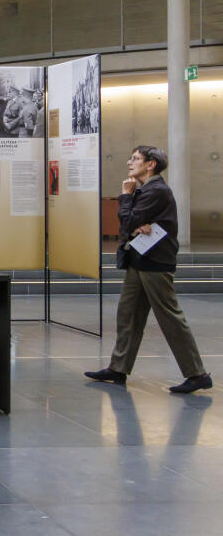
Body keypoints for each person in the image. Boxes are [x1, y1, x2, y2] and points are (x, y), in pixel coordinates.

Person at [86, 146, 211, 394]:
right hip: (138, 260)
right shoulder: (144, 190)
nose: (129, 162)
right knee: (128, 315)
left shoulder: (156, 190)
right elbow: (128, 226)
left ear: (151, 164)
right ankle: (118, 368)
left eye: (135, 159)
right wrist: (133, 227)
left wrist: (125, 196)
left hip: (155, 263)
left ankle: (197, 374)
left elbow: (128, 219)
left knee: (170, 318)